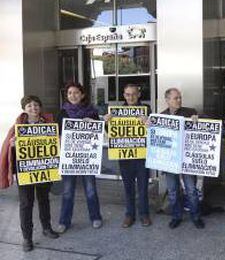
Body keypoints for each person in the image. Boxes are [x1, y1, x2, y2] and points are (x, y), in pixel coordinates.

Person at [0, 95, 59, 252]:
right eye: (29, 106)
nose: (33, 108)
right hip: (25, 170)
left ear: (40, 107)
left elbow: (56, 145)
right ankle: (27, 237)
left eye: (36, 105)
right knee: (26, 203)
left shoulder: (49, 124)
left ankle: (46, 228)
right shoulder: (18, 126)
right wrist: (12, 144)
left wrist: (57, 139)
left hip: (44, 168)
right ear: (24, 109)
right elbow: (7, 148)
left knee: (44, 199)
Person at [56, 82, 103, 233]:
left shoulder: (92, 112)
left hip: (87, 158)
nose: (73, 96)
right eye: (70, 93)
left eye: (76, 93)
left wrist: (94, 123)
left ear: (82, 95)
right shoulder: (62, 113)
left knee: (90, 189)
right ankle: (64, 221)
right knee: (68, 191)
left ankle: (96, 217)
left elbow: (99, 133)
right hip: (69, 157)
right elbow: (57, 135)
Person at [104, 84, 152, 228]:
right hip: (125, 156)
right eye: (127, 94)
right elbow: (110, 132)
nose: (131, 97)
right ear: (124, 95)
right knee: (128, 187)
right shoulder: (116, 112)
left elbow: (153, 130)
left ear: (138, 95)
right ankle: (129, 215)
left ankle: (144, 214)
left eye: (133, 94)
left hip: (142, 156)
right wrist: (106, 122)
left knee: (143, 187)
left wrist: (149, 122)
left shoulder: (146, 110)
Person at [161, 88, 205, 229]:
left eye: (180, 97)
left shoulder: (190, 112)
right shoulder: (161, 116)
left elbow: (203, 129)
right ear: (167, 100)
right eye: (175, 98)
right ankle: (176, 216)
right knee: (173, 191)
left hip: (186, 159)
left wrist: (197, 121)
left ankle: (196, 216)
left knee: (191, 190)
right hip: (170, 159)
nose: (179, 100)